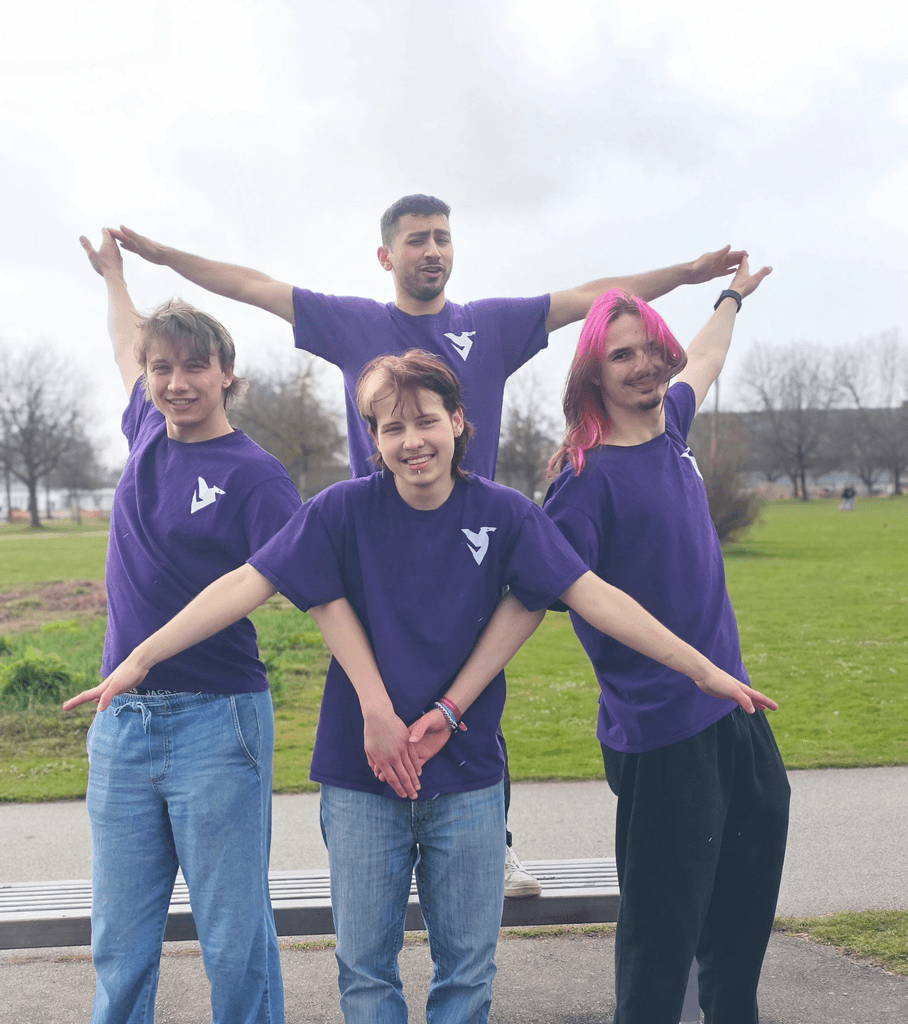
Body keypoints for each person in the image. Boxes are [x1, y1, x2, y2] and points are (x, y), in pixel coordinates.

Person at [64, 350, 776, 1024]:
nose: (412, 440)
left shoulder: (505, 513)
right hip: (359, 776)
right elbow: (244, 583)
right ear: (374, 436)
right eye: (392, 425)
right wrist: (140, 659)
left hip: (465, 779)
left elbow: (594, 596)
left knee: (465, 970)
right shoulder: (341, 510)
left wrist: (704, 669)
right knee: (366, 969)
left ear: (458, 422)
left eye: (426, 419)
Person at [106, 195, 746, 896]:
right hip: (376, 548)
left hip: (473, 541)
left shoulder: (491, 325)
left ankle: (489, 841)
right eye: (416, 240)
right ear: (388, 256)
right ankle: (374, 835)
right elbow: (253, 287)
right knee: (374, 695)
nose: (432, 250)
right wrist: (165, 258)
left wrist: (689, 275)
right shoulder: (355, 324)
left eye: (442, 237)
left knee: (471, 691)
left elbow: (594, 299)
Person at [541, 262, 791, 1024]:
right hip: (661, 732)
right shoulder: (584, 481)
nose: (643, 362)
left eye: (649, 345)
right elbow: (553, 588)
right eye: (621, 354)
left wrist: (731, 298)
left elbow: (709, 354)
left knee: (741, 917)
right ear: (593, 372)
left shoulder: (673, 428)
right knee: (661, 939)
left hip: (734, 711)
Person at [70, 231, 303, 1024]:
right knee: (120, 939)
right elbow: (121, 338)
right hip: (121, 721)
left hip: (217, 722)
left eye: (194, 366)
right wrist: (114, 277)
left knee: (233, 936)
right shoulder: (143, 425)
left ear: (226, 373)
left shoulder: (258, 476)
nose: (175, 383)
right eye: (162, 368)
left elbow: (286, 585)